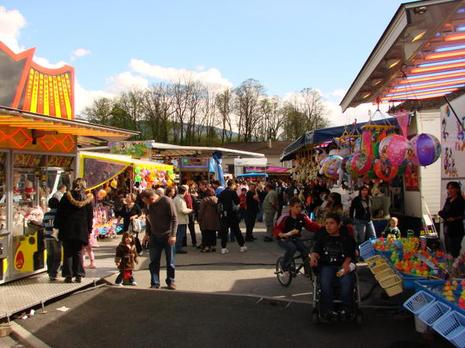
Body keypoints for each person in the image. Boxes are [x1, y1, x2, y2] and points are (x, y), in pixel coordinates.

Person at [310, 213, 357, 321]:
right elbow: (316, 251)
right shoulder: (322, 237)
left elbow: (351, 254)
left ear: (338, 225)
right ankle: (327, 310)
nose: (328, 226)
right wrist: (313, 257)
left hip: (342, 265)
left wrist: (346, 265)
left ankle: (346, 309)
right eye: (326, 223)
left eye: (331, 223)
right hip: (326, 265)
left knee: (346, 282)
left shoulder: (346, 238)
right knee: (325, 282)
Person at [54, 178, 93, 283]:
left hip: (67, 229)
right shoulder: (87, 199)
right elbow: (90, 216)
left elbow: (60, 213)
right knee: (78, 252)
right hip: (81, 230)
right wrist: (89, 230)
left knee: (68, 252)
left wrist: (56, 225)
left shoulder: (66, 197)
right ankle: (79, 274)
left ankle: (68, 275)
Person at [142, 190, 177, 290]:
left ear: (152, 198)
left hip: (167, 235)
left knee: (170, 261)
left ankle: (170, 281)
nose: (147, 204)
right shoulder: (148, 205)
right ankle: (155, 283)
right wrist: (147, 233)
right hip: (154, 235)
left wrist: (173, 235)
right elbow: (148, 219)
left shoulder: (167, 201)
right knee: (154, 261)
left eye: (147, 202)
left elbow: (174, 219)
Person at [273, 197, 320, 272]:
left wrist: (321, 227)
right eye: (296, 207)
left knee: (305, 250)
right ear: (291, 207)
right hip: (283, 239)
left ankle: (308, 271)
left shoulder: (302, 217)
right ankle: (284, 264)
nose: (299, 209)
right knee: (292, 248)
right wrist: (281, 234)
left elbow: (310, 225)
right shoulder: (285, 217)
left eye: (300, 207)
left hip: (295, 238)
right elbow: (276, 228)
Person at [218, 179, 247, 254]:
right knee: (236, 230)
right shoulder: (232, 192)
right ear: (233, 185)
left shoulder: (222, 192)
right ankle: (242, 246)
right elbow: (237, 201)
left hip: (224, 214)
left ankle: (223, 248)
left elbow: (219, 203)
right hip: (232, 214)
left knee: (224, 231)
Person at [439, 182, 465, 258]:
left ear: (457, 189)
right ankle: (449, 266)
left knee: (455, 251)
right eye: (448, 188)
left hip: (456, 229)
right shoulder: (448, 199)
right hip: (447, 228)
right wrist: (447, 217)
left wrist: (452, 217)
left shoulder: (461, 201)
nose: (450, 190)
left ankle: (455, 267)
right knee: (448, 249)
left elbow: (461, 215)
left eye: (452, 188)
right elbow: (442, 212)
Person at [43, 197, 61, 281]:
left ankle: (50, 271)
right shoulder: (58, 214)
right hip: (56, 237)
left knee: (50, 255)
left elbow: (43, 225)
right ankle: (54, 273)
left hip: (47, 237)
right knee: (57, 256)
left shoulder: (46, 215)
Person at [198, 188, 220, 252]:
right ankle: (213, 246)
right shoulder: (216, 199)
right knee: (213, 233)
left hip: (206, 219)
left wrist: (199, 218)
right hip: (214, 218)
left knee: (206, 233)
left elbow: (201, 210)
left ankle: (206, 247)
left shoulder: (204, 200)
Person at [173, 186, 192, 254]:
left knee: (179, 234)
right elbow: (182, 210)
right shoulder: (179, 199)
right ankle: (178, 248)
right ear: (184, 191)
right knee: (180, 235)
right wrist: (190, 210)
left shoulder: (177, 198)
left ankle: (177, 247)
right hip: (181, 220)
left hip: (179, 219)